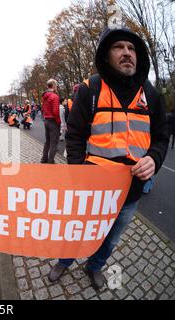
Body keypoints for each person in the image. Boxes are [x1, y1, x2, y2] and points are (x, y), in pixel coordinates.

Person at [48, 27, 169, 290]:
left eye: (132, 48)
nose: (127, 53)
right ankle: (64, 261)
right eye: (119, 47)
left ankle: (94, 266)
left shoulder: (151, 94)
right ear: (106, 55)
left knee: (112, 238)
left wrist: (155, 159)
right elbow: (76, 136)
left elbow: (161, 136)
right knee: (78, 230)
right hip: (94, 189)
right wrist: (79, 174)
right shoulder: (90, 89)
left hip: (131, 191)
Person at [41, 79, 61, 163]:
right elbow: (56, 112)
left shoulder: (44, 97)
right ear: (53, 86)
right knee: (54, 142)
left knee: (47, 142)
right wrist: (59, 122)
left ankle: (44, 159)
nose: (57, 87)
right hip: (53, 121)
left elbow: (43, 109)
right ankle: (51, 161)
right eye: (56, 85)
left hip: (46, 120)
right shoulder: (55, 97)